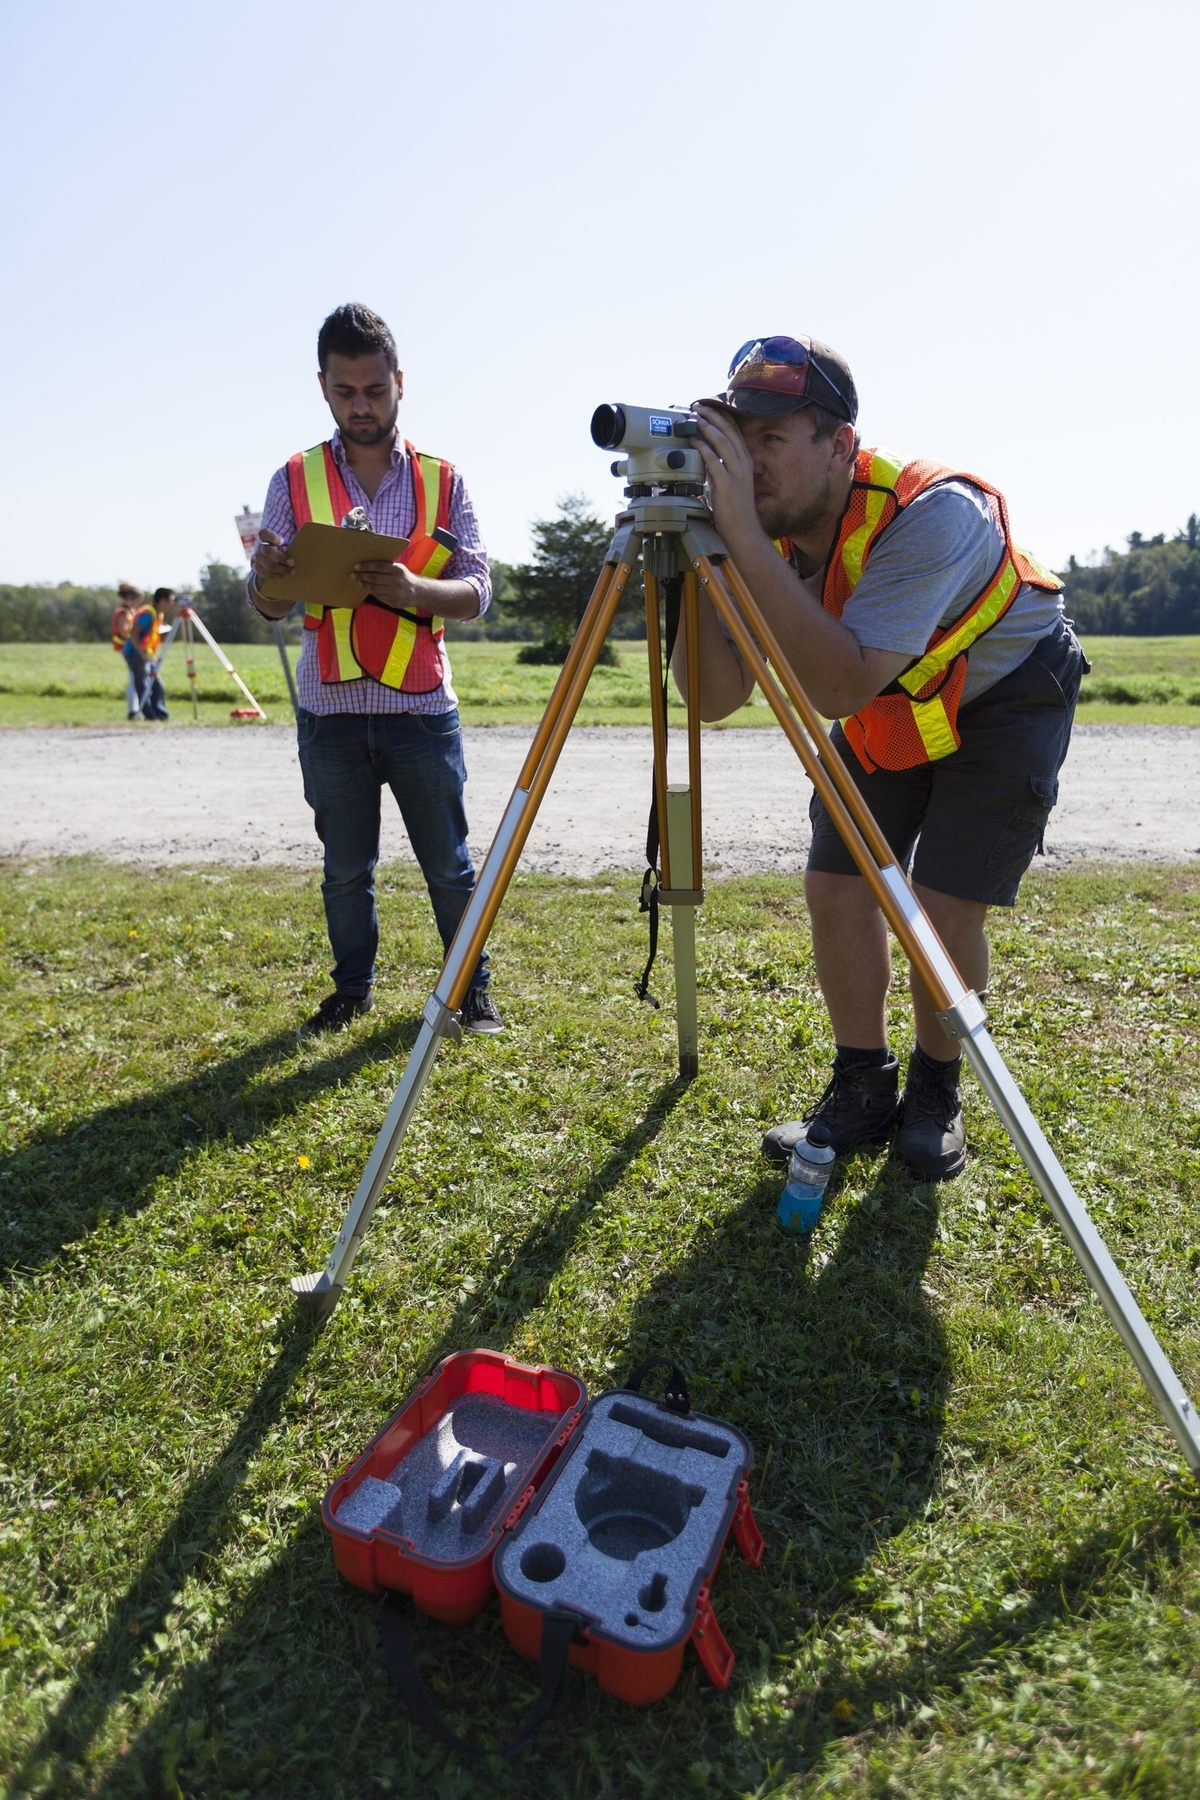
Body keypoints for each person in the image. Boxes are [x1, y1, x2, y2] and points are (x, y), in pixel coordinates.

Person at [676, 334, 1087, 1181]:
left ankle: (937, 1089)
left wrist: (742, 537)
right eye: (736, 443)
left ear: (839, 444)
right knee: (836, 885)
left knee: (939, 909)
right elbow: (712, 698)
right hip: (892, 695)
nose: (748, 467)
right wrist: (693, 553)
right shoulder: (771, 528)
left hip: (1005, 694)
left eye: (771, 442)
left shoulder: (929, 512)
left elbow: (838, 685)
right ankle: (862, 1081)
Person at [248, 301, 504, 1040]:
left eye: (375, 391)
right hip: (329, 709)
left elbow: (479, 587)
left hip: (421, 710)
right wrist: (269, 575)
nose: (361, 407)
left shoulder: (442, 479)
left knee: (450, 868)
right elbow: (266, 604)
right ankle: (350, 991)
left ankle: (470, 990)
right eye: (345, 392)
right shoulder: (292, 479)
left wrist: (417, 592)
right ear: (323, 387)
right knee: (345, 872)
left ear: (400, 382)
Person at [123, 586, 172, 721]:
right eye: (170, 601)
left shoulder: (157, 614)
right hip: (135, 653)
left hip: (146, 653)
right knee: (143, 684)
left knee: (157, 683)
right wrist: (142, 654)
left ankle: (160, 713)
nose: (172, 605)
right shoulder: (148, 614)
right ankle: (150, 714)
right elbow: (133, 633)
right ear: (162, 601)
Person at [112, 581, 142, 718]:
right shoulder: (122, 612)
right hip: (126, 647)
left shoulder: (130, 610)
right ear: (130, 599)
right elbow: (124, 631)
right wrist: (137, 632)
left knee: (134, 678)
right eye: (137, 601)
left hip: (130, 646)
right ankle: (133, 710)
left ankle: (136, 709)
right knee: (133, 678)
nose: (138, 604)